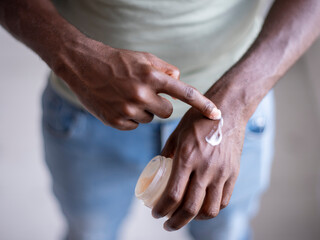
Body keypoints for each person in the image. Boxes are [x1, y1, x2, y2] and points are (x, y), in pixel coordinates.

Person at [1, 0, 319, 239]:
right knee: (89, 232)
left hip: (239, 109)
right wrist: (70, 54)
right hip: (85, 112)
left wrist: (236, 104)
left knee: (227, 233)